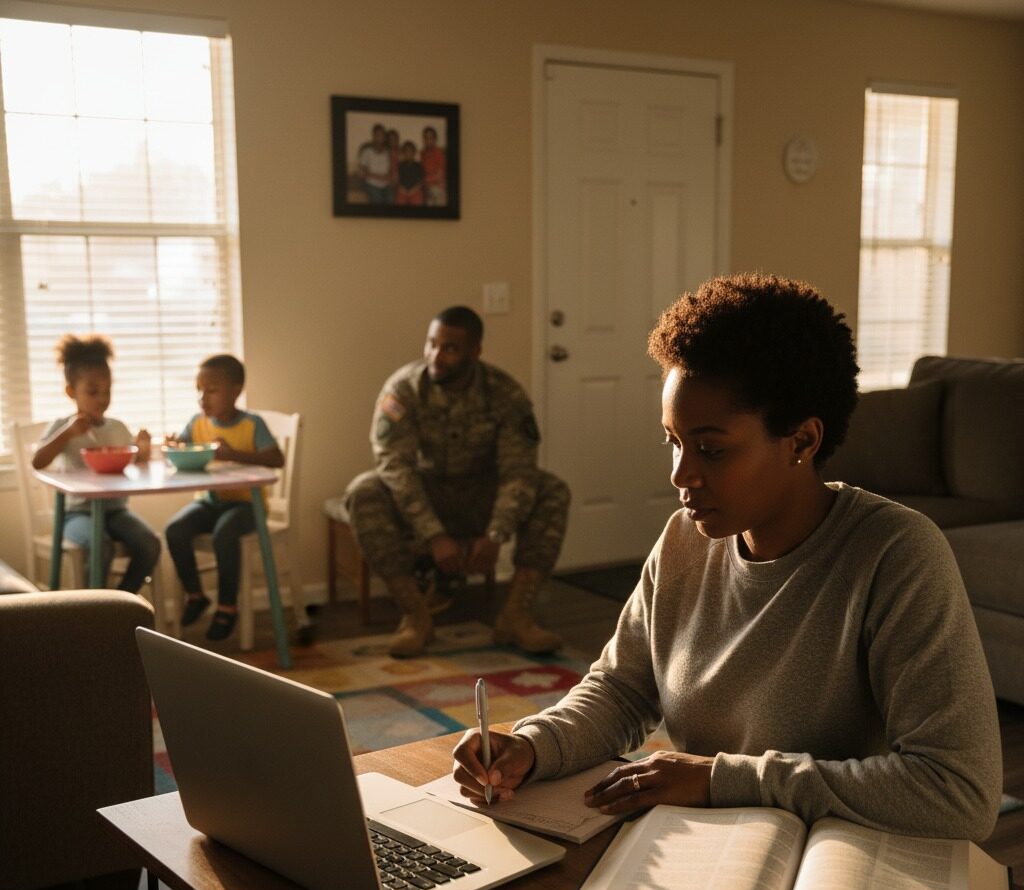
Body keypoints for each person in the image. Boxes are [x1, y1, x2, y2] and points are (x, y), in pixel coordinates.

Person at [452, 273, 1002, 841]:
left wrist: (722, 780)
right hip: (713, 851)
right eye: (674, 441)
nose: (680, 474)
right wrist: (532, 745)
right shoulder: (684, 541)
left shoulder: (895, 555)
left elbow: (960, 792)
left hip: (829, 876)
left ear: (802, 442)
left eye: (711, 449)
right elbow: (622, 689)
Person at [344, 305, 570, 659]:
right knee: (364, 492)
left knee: (552, 490)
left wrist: (496, 533)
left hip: (482, 496)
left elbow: (519, 469)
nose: (436, 355)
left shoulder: (505, 394)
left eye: (449, 348)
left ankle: (516, 615)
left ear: (474, 352)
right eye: (431, 344)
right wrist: (434, 534)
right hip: (428, 497)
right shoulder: (403, 390)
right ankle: (416, 617)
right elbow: (395, 466)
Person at [165, 354, 284, 641]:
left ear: (235, 391)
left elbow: (276, 458)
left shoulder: (252, 424)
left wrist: (233, 454)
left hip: (245, 505)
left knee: (225, 535)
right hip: (209, 502)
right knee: (175, 530)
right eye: (199, 390)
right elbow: (182, 444)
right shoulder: (198, 423)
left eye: (212, 390)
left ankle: (227, 607)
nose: (203, 398)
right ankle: (196, 595)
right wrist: (174, 444)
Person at [31, 333, 160, 594]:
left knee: (150, 544)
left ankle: (120, 604)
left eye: (107, 390)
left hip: (115, 511)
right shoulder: (63, 428)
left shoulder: (118, 427)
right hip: (77, 514)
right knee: (102, 547)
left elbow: (135, 460)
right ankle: (94, 612)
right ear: (71, 392)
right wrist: (67, 434)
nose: (102, 398)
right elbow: (38, 462)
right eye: (92, 391)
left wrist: (143, 448)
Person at [356, 123, 392, 205]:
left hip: (387, 184)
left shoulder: (388, 152)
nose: (380, 137)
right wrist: (379, 177)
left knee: (391, 200)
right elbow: (362, 171)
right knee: (377, 202)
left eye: (382, 135)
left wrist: (388, 176)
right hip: (372, 184)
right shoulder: (367, 151)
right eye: (377, 135)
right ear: (373, 136)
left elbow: (392, 168)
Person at [420, 125, 446, 206]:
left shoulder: (439, 153)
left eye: (430, 138)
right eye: (426, 138)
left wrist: (426, 181)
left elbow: (440, 175)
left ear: (435, 139)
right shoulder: (422, 153)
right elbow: (420, 172)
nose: (428, 140)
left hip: (437, 185)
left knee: (435, 192)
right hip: (425, 186)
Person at [394, 140, 424, 206]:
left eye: (410, 151)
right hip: (402, 190)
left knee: (417, 198)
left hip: (415, 190)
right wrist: (402, 189)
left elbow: (421, 181)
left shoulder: (418, 166)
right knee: (399, 199)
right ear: (403, 153)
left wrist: (413, 190)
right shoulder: (400, 165)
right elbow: (397, 180)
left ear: (414, 153)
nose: (408, 153)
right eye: (406, 151)